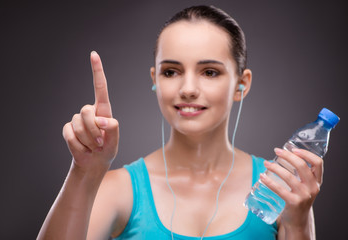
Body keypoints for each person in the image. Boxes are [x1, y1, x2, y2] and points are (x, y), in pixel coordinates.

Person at [38, 5, 322, 240]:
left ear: (241, 84)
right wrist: (85, 172)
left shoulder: (280, 190)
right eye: (171, 72)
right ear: (155, 80)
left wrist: (298, 226)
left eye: (209, 72)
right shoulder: (119, 189)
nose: (187, 88)